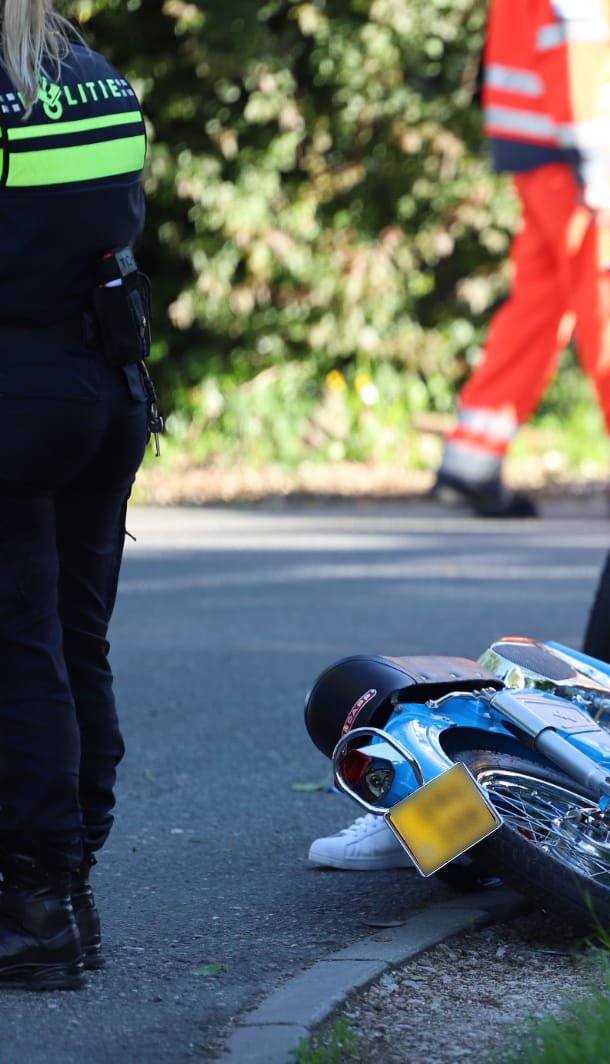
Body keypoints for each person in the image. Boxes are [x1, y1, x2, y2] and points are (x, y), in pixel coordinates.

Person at [0, 1, 158, 991]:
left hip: (18, 398)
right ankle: (71, 889)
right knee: (71, 641)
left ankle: (34, 913)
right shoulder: (97, 75)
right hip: (108, 390)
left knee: (16, 650)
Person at [430, 0, 610, 518]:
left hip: (546, 155)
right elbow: (576, 51)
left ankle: (472, 458)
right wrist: (591, 164)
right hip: (583, 161)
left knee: (538, 309)